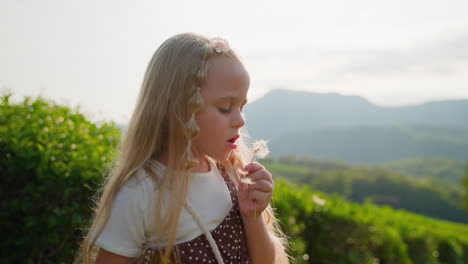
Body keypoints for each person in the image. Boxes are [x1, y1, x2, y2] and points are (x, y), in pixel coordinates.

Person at [76, 33, 289, 264]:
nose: (240, 120)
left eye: (241, 107)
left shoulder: (232, 174)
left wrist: (253, 217)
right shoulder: (141, 192)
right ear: (174, 108)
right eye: (226, 107)